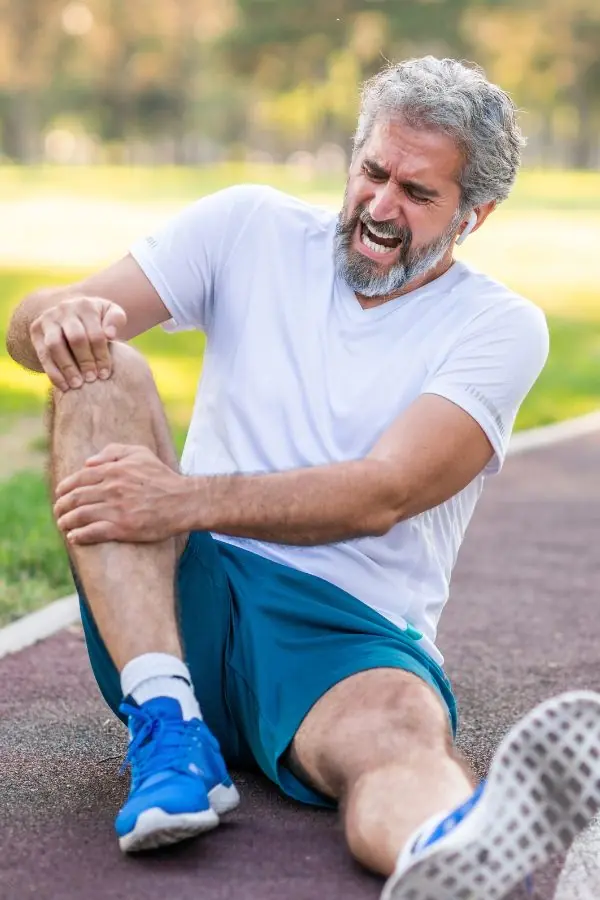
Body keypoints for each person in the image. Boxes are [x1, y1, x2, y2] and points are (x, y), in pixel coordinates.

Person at [6, 56, 600, 899]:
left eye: (419, 194)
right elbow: (37, 326)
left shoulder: (501, 327)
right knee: (101, 366)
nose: (382, 208)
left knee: (400, 733)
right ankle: (168, 722)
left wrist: (179, 497)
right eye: (373, 173)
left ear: (478, 214)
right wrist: (51, 321)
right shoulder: (246, 225)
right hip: (172, 603)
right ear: (353, 157)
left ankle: (447, 853)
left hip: (345, 632)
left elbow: (383, 491)